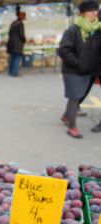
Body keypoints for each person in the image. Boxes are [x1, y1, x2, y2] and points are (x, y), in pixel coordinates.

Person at [58, 0, 101, 138]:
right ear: (82, 13)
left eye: (96, 10)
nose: (95, 13)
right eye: (91, 10)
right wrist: (77, 62)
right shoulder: (73, 30)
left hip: (89, 70)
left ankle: (66, 116)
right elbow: (63, 50)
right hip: (73, 70)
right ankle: (72, 127)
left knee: (80, 95)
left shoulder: (97, 29)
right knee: (75, 97)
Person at [7, 11, 27, 77]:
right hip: (17, 44)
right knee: (17, 58)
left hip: (11, 43)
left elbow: (9, 33)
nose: (25, 17)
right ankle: (15, 72)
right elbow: (21, 35)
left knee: (12, 58)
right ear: (20, 16)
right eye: (24, 16)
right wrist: (24, 40)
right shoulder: (20, 24)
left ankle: (10, 71)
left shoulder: (13, 23)